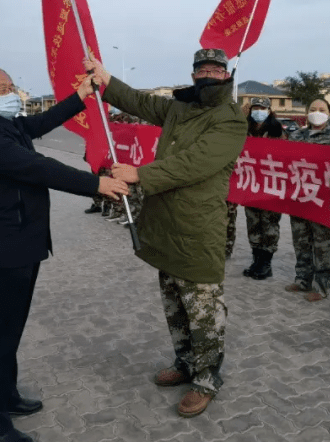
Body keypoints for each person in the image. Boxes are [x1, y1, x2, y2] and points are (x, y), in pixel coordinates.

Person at [0, 66, 127, 442]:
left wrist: (83, 94)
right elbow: (38, 167)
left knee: (11, 329)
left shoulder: (6, 124)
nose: (11, 93)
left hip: (23, 243)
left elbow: (41, 123)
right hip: (3, 248)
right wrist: (95, 183)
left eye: (11, 86)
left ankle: (5, 394)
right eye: (3, 88)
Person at [86, 48, 247, 418]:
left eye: (215, 69)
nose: (208, 75)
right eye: (201, 69)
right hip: (165, 222)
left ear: (226, 75)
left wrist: (140, 174)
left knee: (203, 307)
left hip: (197, 226)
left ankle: (207, 378)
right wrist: (106, 78)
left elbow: (195, 163)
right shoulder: (180, 107)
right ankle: (186, 361)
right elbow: (140, 102)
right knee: (174, 301)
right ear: (193, 75)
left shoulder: (230, 119)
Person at [286, 97, 330, 301]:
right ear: (306, 112)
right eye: (313, 108)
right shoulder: (295, 136)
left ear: (329, 113)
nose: (317, 112)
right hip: (300, 198)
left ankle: (322, 286)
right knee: (301, 241)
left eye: (321, 109)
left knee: (323, 244)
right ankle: (302, 279)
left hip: (324, 201)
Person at [241, 97, 286, 280]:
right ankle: (256, 260)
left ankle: (266, 263)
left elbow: (285, 157)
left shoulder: (276, 130)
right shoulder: (246, 129)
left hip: (271, 186)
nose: (258, 111)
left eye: (262, 108)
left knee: (269, 225)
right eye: (255, 108)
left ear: (269, 111)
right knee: (253, 223)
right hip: (251, 185)